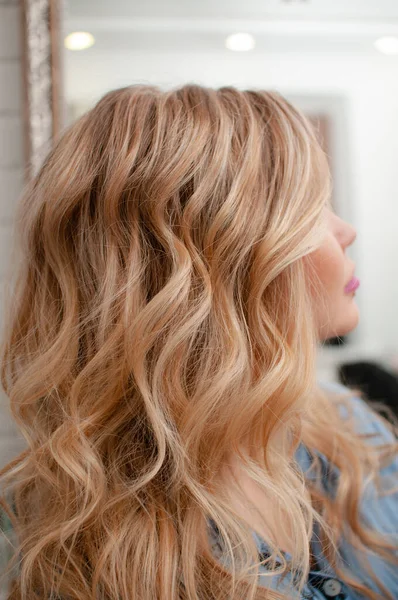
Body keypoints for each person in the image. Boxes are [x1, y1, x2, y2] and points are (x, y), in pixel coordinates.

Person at [0, 83, 397, 600]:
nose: (345, 231)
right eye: (311, 207)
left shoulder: (353, 434)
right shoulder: (95, 551)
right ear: (218, 261)